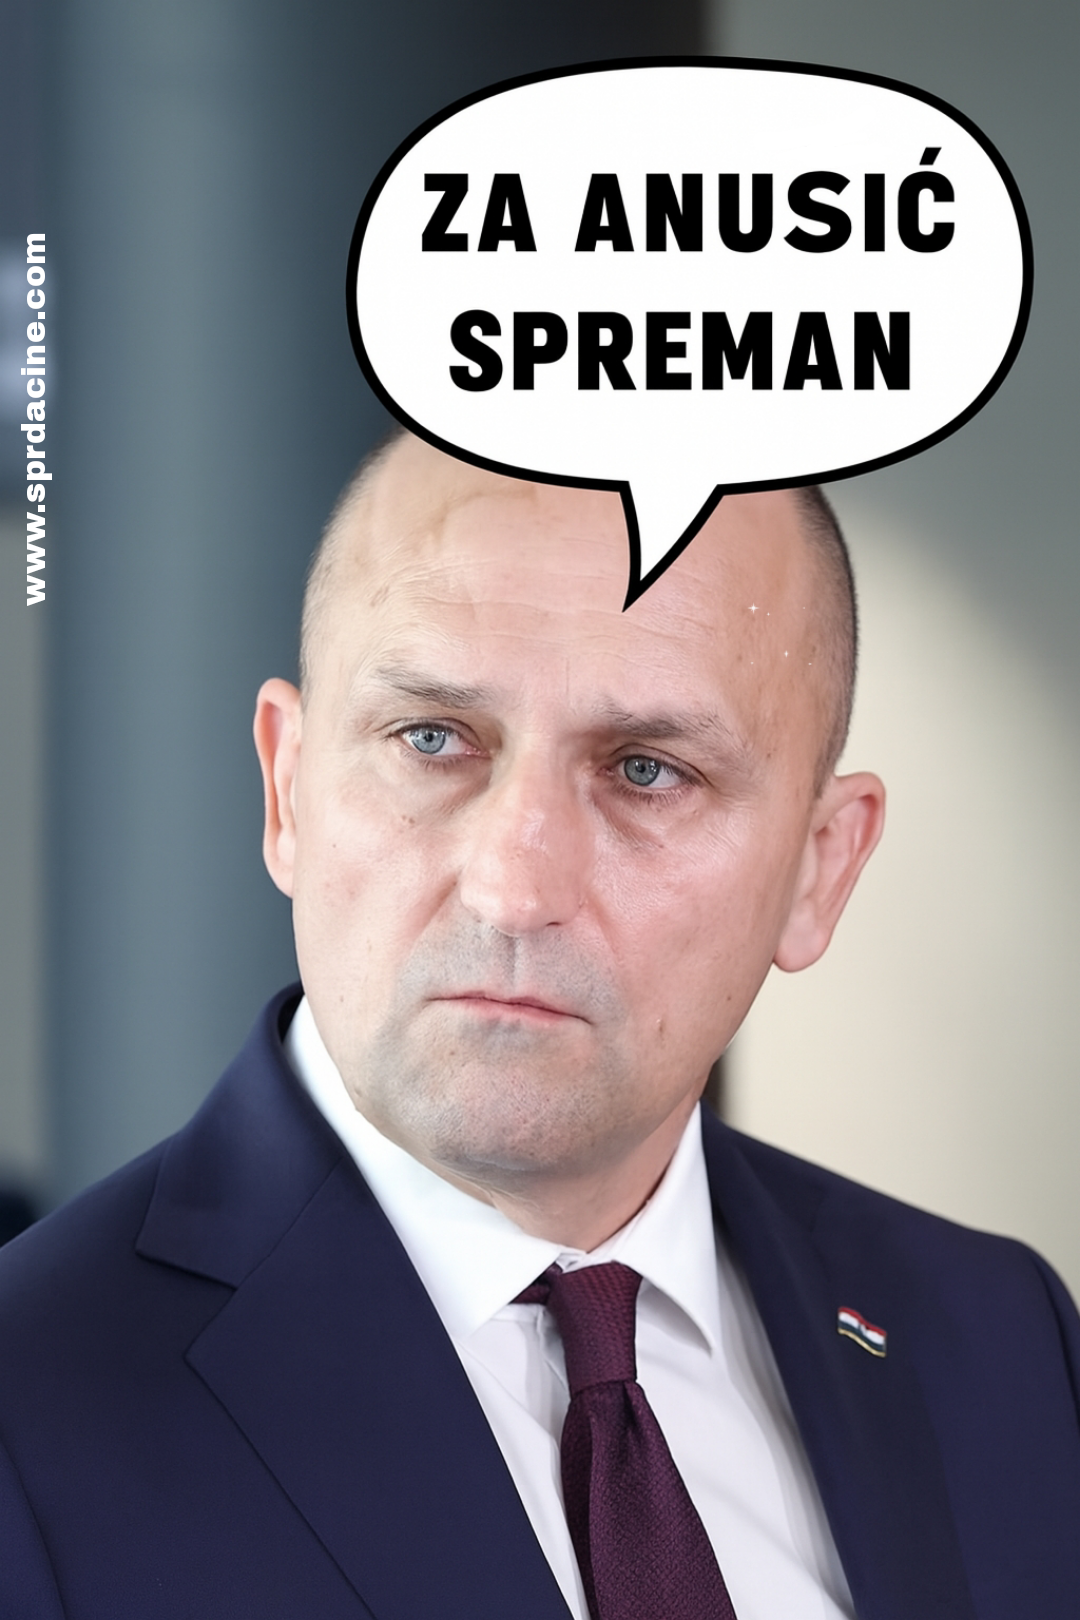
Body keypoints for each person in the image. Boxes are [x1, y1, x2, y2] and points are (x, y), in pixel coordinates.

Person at [1, 431, 1078, 1620]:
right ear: (286, 788)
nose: (514, 889)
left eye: (647, 770)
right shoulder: (27, 1409)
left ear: (821, 868)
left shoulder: (1006, 1345)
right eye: (431, 739)